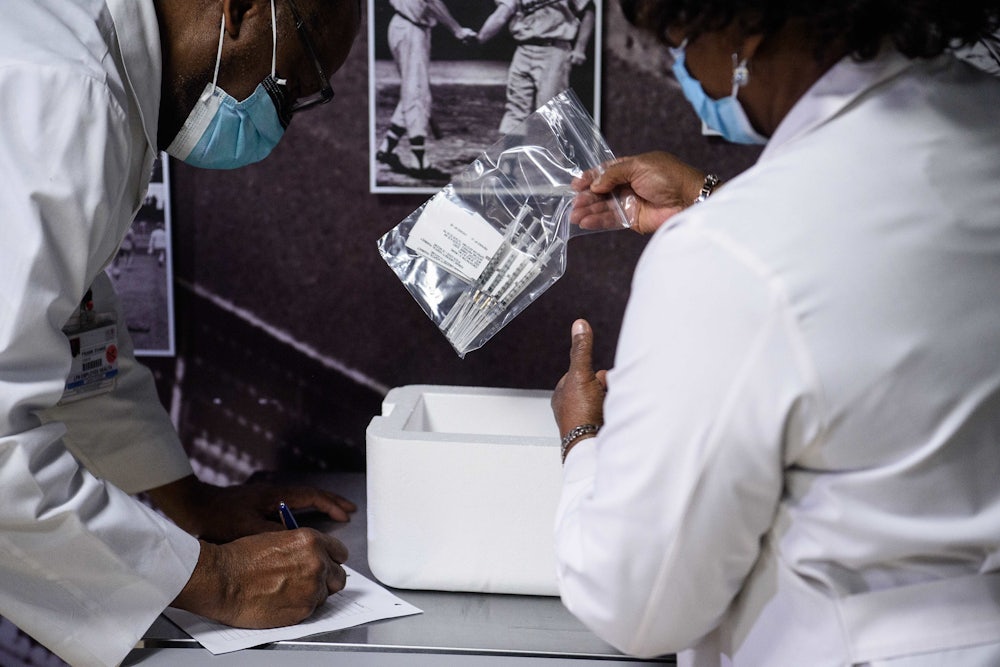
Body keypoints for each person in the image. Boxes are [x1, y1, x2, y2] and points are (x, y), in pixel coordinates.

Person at [550, 1, 1000, 665]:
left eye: (682, 40)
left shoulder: (724, 258)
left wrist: (582, 439)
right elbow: (871, 257)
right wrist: (714, 199)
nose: (684, 70)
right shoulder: (981, 121)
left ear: (744, 29)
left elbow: (637, 605)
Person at [0, 0, 362, 665]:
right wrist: (216, 580)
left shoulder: (97, 75)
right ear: (243, 9)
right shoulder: (62, 89)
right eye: (289, 88)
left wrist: (189, 501)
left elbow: (73, 335)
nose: (277, 122)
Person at [376, 0, 476, 171]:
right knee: (417, 92)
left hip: (403, 25)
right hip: (411, 30)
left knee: (411, 90)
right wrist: (457, 30)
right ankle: (419, 161)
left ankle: (387, 148)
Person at [475, 0, 595, 134]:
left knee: (550, 110)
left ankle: (555, 154)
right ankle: (512, 154)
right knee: (515, 110)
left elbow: (588, 11)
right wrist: (479, 38)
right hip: (523, 48)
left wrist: (580, 48)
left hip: (554, 48)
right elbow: (501, 15)